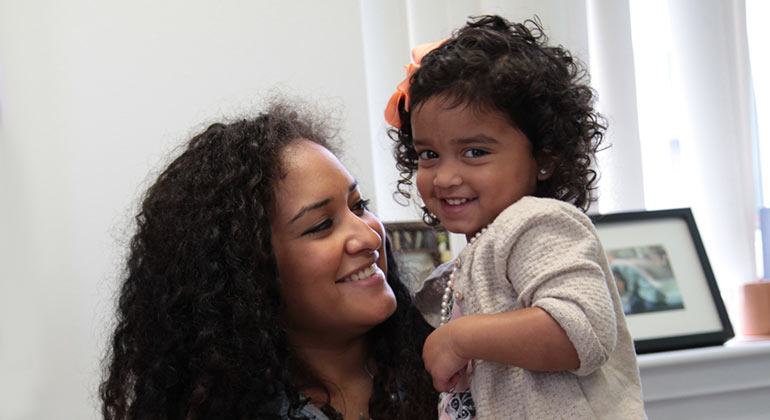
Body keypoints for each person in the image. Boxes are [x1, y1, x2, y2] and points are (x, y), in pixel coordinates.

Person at [100, 101, 437, 419]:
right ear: (248, 271)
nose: (370, 237)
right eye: (321, 225)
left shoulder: (455, 366)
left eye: (358, 205)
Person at [385, 15, 646, 419]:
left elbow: (583, 330)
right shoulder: (480, 253)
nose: (446, 176)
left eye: (475, 152)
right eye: (429, 155)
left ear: (543, 157)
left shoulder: (538, 223)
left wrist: (459, 339)